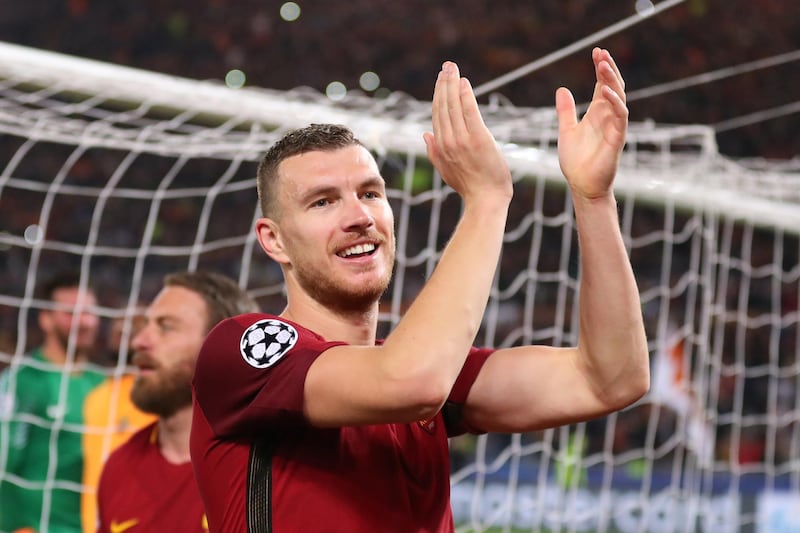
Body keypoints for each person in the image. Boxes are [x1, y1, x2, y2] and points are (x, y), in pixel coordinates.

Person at [191, 47, 650, 532]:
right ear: (275, 240)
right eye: (323, 202)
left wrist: (593, 197)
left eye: (370, 193)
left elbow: (611, 380)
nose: (360, 217)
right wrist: (487, 199)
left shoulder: (425, 370)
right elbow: (409, 381)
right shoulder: (243, 351)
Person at [95, 271, 258, 533]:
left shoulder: (267, 469)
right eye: (145, 326)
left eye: (166, 326)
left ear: (222, 348)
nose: (139, 341)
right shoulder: (120, 467)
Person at [0, 271, 105, 533]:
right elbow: (5, 463)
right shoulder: (22, 381)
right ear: (46, 320)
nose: (84, 322)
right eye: (70, 314)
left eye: (89, 313)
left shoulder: (104, 384)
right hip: (38, 527)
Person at [80, 310, 156, 533]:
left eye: (135, 322)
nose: (122, 327)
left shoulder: (155, 396)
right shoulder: (95, 396)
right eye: (118, 321)